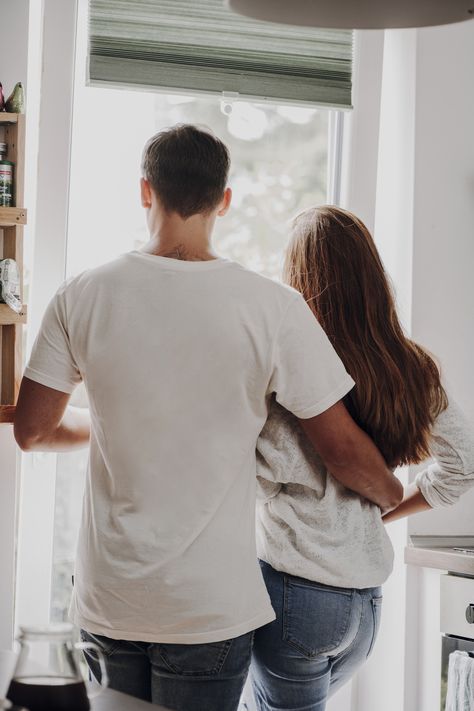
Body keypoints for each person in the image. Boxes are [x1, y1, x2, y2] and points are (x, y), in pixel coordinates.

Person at [14, 129, 401, 711]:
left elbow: (34, 430)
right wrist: (393, 492)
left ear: (146, 191)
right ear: (224, 199)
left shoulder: (82, 294)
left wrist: (115, 422)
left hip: (110, 600)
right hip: (210, 609)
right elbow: (342, 449)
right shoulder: (273, 308)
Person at [250, 205, 474, 711]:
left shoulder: (293, 373)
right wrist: (383, 508)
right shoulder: (409, 367)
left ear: (301, 279)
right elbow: (464, 464)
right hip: (365, 607)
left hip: (295, 594)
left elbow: (253, 480)